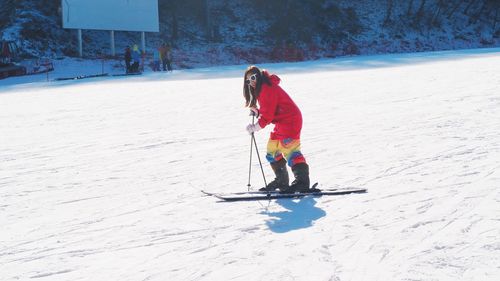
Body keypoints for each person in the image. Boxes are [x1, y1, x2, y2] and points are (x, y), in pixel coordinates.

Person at [243, 65, 314, 193]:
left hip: (290, 121)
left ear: (259, 76)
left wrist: (255, 127)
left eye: (253, 77)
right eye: (248, 80)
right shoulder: (263, 89)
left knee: (290, 150)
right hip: (282, 121)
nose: (251, 82)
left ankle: (302, 183)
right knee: (272, 150)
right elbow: (270, 110)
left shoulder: (266, 88)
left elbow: (268, 115)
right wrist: (259, 112)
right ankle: (282, 181)